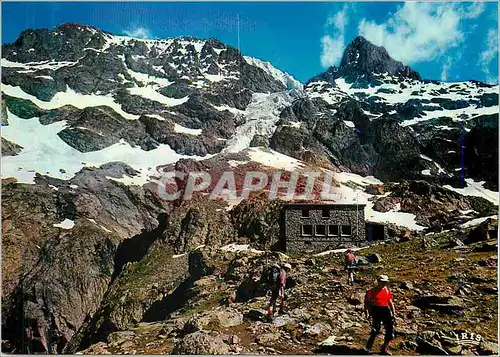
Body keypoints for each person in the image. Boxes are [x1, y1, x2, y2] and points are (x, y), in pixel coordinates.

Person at [364, 275, 397, 355]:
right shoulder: (371, 291)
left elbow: (390, 302)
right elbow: (367, 303)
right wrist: (367, 312)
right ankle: (368, 347)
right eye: (382, 282)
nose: (384, 283)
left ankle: (384, 348)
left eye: (385, 282)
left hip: (385, 310)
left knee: (390, 330)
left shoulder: (386, 290)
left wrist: (394, 313)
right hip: (375, 310)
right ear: (378, 281)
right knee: (375, 329)